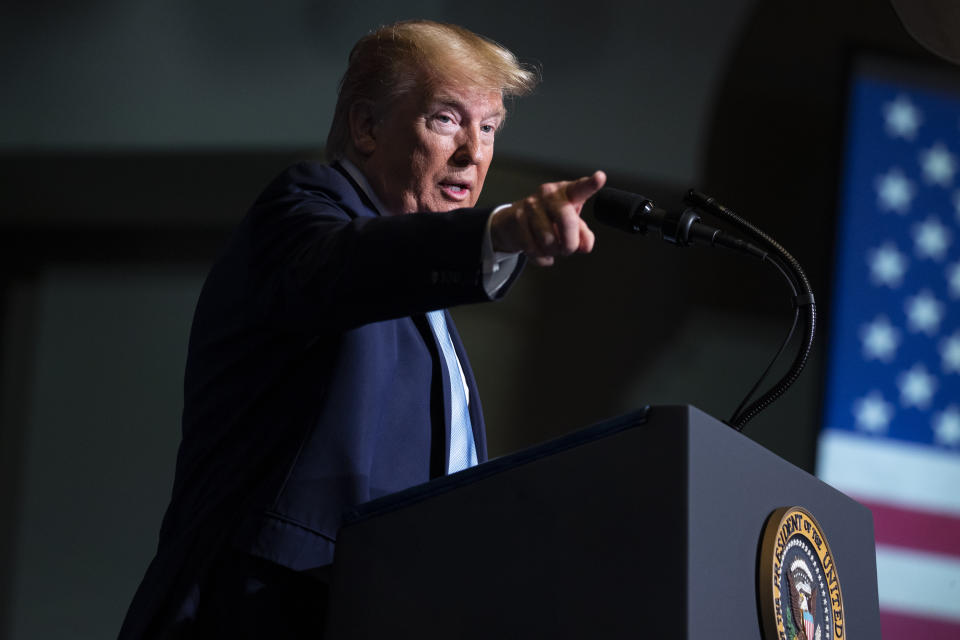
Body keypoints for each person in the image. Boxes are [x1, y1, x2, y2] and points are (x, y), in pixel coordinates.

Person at [119, 19, 605, 638]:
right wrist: (500, 230)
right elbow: (350, 265)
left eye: (488, 129)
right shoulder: (304, 211)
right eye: (447, 119)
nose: (474, 153)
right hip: (266, 607)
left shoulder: (426, 300)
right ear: (367, 127)